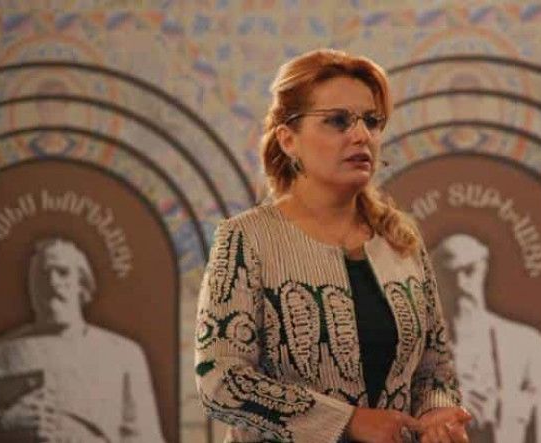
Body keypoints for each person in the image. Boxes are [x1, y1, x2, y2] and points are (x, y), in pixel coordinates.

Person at [195, 49, 471, 443]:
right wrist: (349, 421)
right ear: (288, 139)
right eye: (338, 121)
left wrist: (437, 414)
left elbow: (433, 370)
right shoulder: (247, 238)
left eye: (371, 121)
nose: (361, 136)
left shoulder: (400, 240)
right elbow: (220, 380)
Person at [0, 238, 166, 443]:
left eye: (63, 272)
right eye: (42, 275)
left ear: (81, 285)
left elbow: (145, 438)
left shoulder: (124, 356)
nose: (52, 282)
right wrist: (1, 424)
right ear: (32, 288)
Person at [431, 234, 541, 443]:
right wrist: (445, 405)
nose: (460, 284)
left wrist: (501, 405)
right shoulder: (420, 347)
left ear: (483, 271)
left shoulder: (527, 343)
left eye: (469, 271)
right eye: (449, 275)